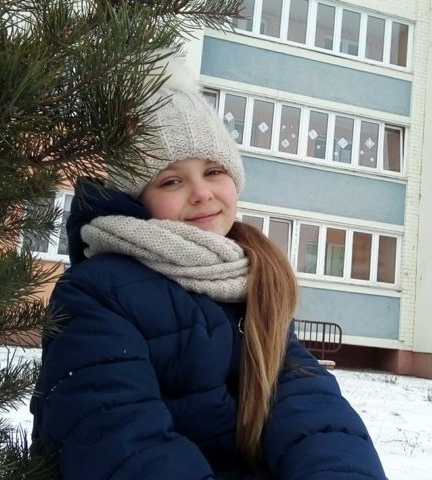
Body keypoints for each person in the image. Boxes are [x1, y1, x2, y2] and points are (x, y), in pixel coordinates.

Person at [30, 60, 387, 480]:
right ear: (136, 200)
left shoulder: (251, 278)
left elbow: (310, 406)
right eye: (171, 181)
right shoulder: (96, 291)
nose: (201, 193)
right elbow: (114, 436)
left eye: (214, 171)